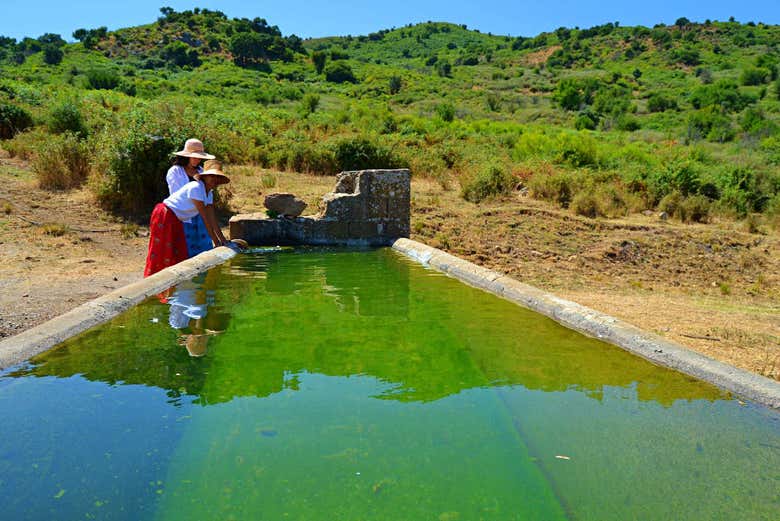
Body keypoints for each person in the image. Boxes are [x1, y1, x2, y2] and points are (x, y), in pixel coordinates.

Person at [144, 165, 230, 277]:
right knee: (162, 251)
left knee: (178, 251)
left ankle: (173, 288)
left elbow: (212, 218)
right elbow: (205, 219)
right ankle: (153, 283)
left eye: (217, 177)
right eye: (211, 176)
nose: (215, 180)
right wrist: (216, 242)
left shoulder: (209, 193)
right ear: (204, 177)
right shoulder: (196, 188)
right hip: (165, 214)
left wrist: (223, 240)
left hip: (177, 218)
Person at [167, 139, 216, 257]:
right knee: (186, 247)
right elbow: (177, 194)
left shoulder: (201, 171)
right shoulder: (175, 171)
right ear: (187, 156)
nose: (198, 160)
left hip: (200, 214)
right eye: (195, 157)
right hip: (183, 214)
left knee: (203, 246)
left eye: (199, 157)